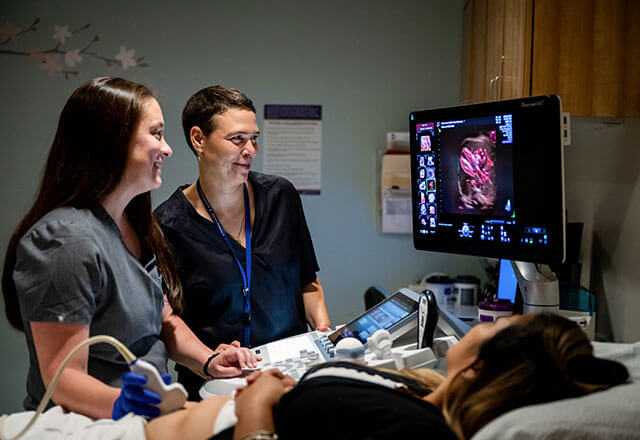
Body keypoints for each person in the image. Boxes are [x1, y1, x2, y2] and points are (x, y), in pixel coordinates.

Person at [1, 77, 257, 421]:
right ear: (112, 141)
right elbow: (63, 380)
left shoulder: (136, 227)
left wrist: (209, 361)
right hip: (90, 425)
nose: (167, 148)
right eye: (156, 133)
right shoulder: (64, 240)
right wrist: (127, 406)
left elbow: (162, 317)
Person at [154, 86, 330, 399]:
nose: (251, 149)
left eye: (254, 138)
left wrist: (323, 335)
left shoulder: (280, 197)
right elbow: (167, 322)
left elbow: (308, 283)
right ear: (199, 139)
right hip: (212, 388)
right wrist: (207, 361)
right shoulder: (168, 224)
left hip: (286, 379)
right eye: (238, 139)